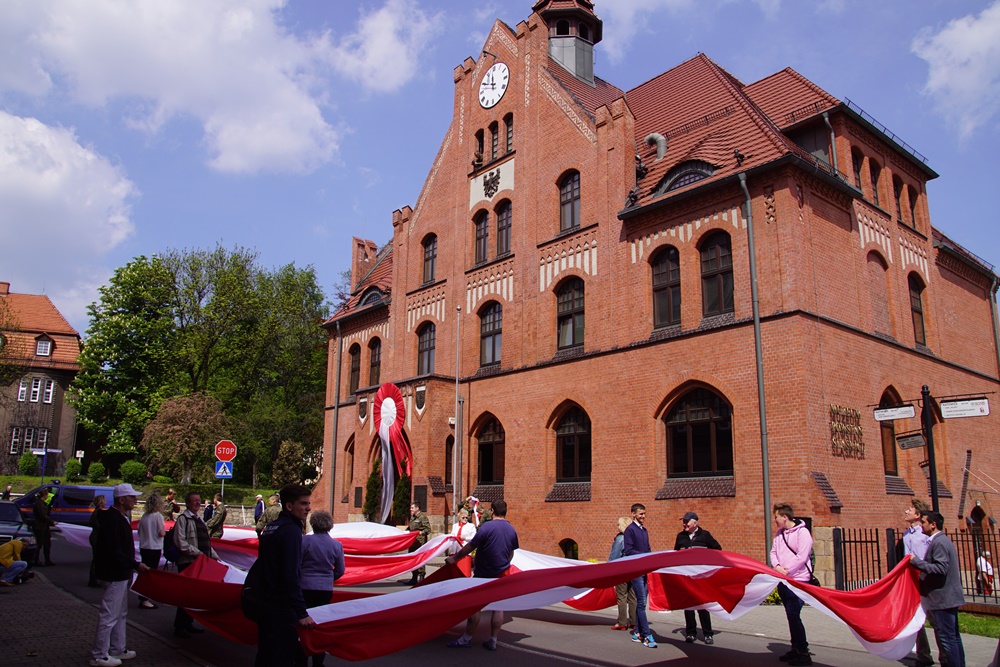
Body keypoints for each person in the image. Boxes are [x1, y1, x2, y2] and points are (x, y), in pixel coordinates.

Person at [254, 484, 316, 667]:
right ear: (289, 506)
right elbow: (290, 573)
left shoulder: (272, 527)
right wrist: (300, 611)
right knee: (281, 656)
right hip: (281, 605)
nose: (309, 508)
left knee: (266, 654)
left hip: (265, 602)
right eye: (303, 504)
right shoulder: (291, 531)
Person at [445, 499, 519, 651]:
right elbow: (511, 552)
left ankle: (467, 638)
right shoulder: (512, 530)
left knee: (475, 605)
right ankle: (493, 639)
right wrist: (504, 563)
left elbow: (471, 546)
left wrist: (454, 558)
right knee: (498, 607)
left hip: (483, 572)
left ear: (492, 511)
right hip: (501, 572)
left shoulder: (487, 527)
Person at [89, 483, 149, 667]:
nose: (135, 500)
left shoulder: (118, 517)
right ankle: (99, 654)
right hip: (114, 573)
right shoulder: (113, 519)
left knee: (120, 613)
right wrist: (135, 564)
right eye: (131, 497)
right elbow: (115, 550)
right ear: (122, 500)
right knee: (109, 614)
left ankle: (117, 648)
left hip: (121, 572)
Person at [910, 511, 966, 667]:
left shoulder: (939, 542)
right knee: (953, 638)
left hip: (943, 599)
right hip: (946, 598)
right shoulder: (941, 541)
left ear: (933, 525)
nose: (921, 525)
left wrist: (917, 562)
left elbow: (940, 569)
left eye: (924, 522)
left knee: (948, 639)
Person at [902, 498, 947, 667]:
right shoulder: (906, 534)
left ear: (918, 514)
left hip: (927, 579)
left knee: (936, 621)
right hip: (912, 582)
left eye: (910, 509)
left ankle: (945, 656)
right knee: (916, 621)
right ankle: (923, 655)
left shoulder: (926, 534)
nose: (906, 511)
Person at [770, 503, 813, 666]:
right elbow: (773, 552)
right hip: (783, 580)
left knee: (794, 615)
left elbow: (802, 556)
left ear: (784, 517)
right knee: (790, 615)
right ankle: (796, 648)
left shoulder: (803, 533)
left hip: (798, 581)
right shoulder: (779, 535)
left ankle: (803, 652)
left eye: (776, 517)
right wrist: (777, 567)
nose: (775, 520)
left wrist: (787, 570)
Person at [301, 509, 345, 667]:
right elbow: (340, 570)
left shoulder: (304, 541)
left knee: (302, 623)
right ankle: (318, 661)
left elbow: (296, 564)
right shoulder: (336, 545)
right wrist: (328, 578)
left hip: (304, 586)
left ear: (313, 523)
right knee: (319, 623)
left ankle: (301, 658)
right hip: (325, 588)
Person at [172, 492, 219, 638]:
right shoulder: (183, 519)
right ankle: (180, 626)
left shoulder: (199, 520)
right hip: (188, 562)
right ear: (187, 503)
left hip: (200, 562)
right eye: (194, 501)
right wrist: (198, 553)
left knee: (194, 596)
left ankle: (188, 623)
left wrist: (215, 557)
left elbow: (206, 542)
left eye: (199, 501)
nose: (197, 503)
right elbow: (181, 542)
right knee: (186, 595)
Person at [674, 511, 722, 644]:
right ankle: (690, 633)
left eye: (686, 522)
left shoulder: (705, 535)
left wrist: (709, 566)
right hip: (686, 577)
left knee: (703, 606)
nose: (684, 524)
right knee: (689, 606)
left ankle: (707, 634)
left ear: (695, 522)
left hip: (701, 578)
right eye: (683, 522)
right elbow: (675, 555)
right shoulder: (681, 537)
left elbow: (718, 550)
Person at [622, 503, 657, 648]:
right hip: (636, 570)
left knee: (642, 603)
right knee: (641, 602)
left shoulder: (644, 531)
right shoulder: (630, 530)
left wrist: (650, 558)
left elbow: (647, 548)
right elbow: (628, 550)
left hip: (644, 570)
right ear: (633, 514)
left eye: (644, 514)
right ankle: (647, 635)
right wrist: (644, 556)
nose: (643, 516)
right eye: (640, 514)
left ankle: (637, 631)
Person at [137, 493, 165, 610]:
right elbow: (161, 533)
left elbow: (139, 531)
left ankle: (143, 597)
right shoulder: (158, 516)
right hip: (154, 547)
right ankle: (144, 599)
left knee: (144, 573)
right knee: (150, 574)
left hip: (144, 546)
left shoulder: (144, 516)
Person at [608, 516, 636, 631]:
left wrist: (608, 567)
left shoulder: (620, 539)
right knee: (633, 597)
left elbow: (614, 556)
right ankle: (634, 622)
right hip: (633, 570)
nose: (617, 526)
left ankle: (622, 622)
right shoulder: (634, 538)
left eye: (618, 524)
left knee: (622, 596)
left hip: (622, 570)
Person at [406, 502, 431, 584]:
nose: (411, 509)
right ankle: (414, 577)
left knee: (420, 559)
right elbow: (410, 527)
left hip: (420, 542)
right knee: (412, 559)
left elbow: (428, 529)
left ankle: (421, 577)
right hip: (413, 542)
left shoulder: (422, 517)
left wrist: (421, 532)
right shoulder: (413, 517)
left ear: (417, 508)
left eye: (412, 508)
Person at [88, 494, 107, 587]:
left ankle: (94, 578)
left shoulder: (96, 512)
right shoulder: (99, 512)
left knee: (96, 558)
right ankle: (93, 579)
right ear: (101, 502)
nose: (105, 502)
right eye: (104, 500)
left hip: (94, 536)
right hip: (96, 537)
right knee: (96, 559)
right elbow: (99, 526)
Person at [32, 487, 55, 566]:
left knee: (47, 544)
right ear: (44, 495)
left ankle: (47, 560)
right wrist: (52, 522)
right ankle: (36, 560)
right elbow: (43, 516)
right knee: (39, 544)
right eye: (47, 495)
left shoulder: (42, 504)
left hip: (44, 526)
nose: (48, 496)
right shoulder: (39, 504)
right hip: (40, 527)